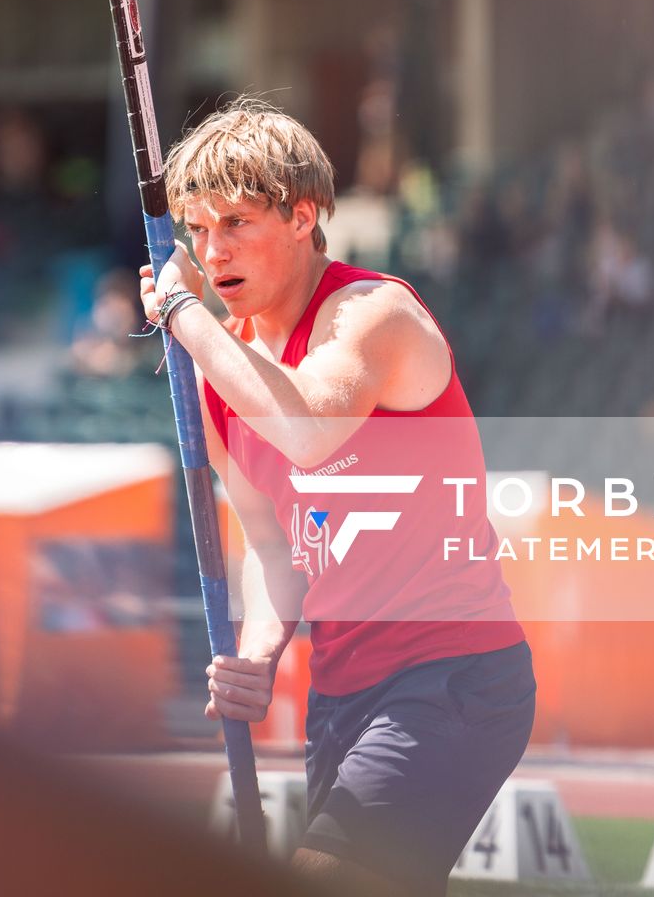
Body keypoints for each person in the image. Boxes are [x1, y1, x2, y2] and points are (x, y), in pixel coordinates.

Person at [138, 98, 533, 897]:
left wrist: (182, 312)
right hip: (342, 692)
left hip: (451, 676)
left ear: (303, 216)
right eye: (197, 232)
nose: (212, 253)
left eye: (236, 224)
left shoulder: (371, 313)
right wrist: (256, 655)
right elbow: (274, 549)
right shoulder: (224, 380)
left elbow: (311, 431)